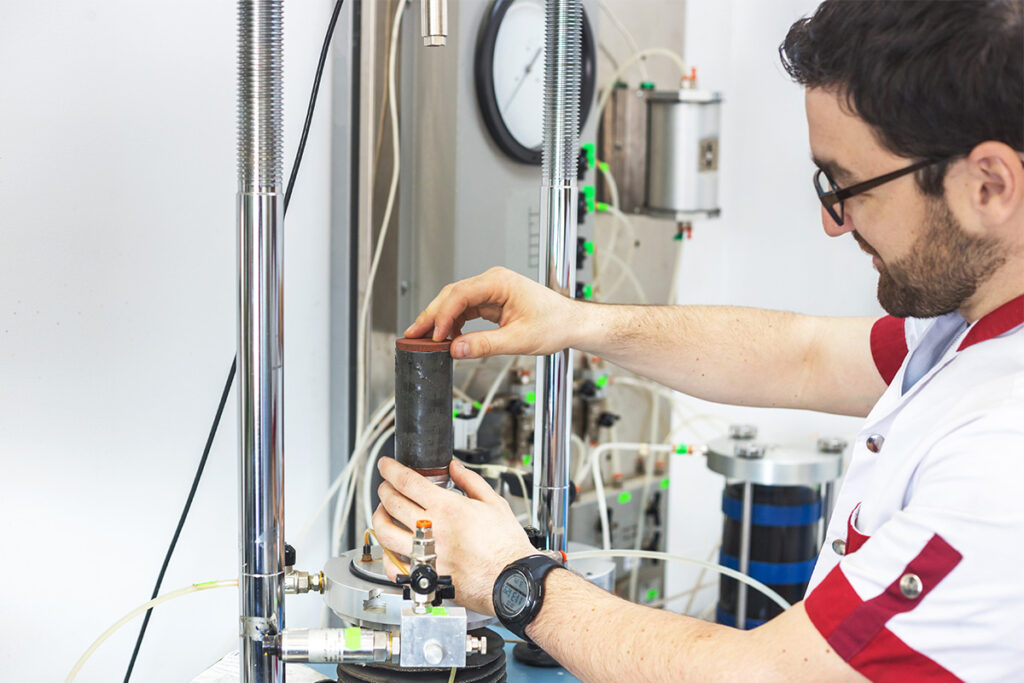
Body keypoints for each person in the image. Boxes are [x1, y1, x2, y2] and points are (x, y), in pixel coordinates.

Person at [372, 1, 1024, 680]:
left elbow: (761, 675)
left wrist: (513, 578)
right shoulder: (967, 324)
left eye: (851, 185)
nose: (835, 222)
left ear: (989, 183)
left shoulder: (1004, 457)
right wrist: (577, 321)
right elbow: (802, 356)